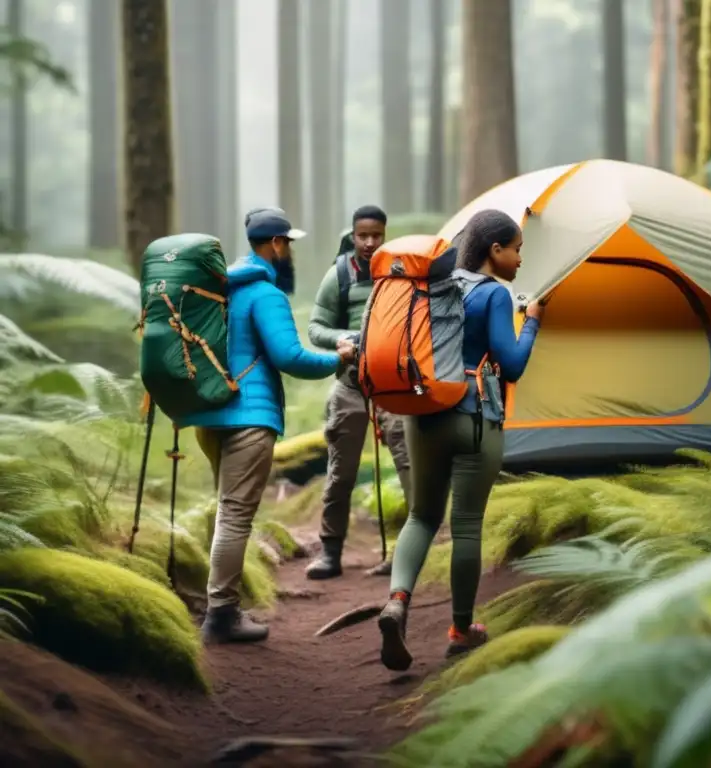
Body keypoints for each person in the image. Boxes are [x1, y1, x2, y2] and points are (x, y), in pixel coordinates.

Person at [376, 209, 545, 671]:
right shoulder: (493, 294)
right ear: (495, 250)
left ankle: (396, 602)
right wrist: (531, 321)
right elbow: (510, 365)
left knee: (421, 516)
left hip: (423, 413)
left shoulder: (435, 284)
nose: (519, 260)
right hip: (472, 416)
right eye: (517, 249)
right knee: (466, 524)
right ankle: (461, 629)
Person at [180, 207, 355, 644]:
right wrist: (339, 358)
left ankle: (221, 607)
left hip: (212, 413)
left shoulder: (221, 288)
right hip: (249, 415)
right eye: (288, 244)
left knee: (227, 509)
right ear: (276, 244)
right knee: (235, 514)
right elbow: (289, 357)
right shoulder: (264, 293)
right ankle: (221, 614)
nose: (290, 252)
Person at [305, 205, 411, 580]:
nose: (369, 242)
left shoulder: (400, 270)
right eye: (362, 235)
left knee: (408, 466)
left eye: (376, 235)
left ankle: (409, 552)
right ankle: (329, 553)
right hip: (350, 383)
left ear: (385, 234)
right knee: (340, 472)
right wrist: (345, 338)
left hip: (393, 385)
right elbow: (316, 327)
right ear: (353, 235)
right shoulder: (338, 275)